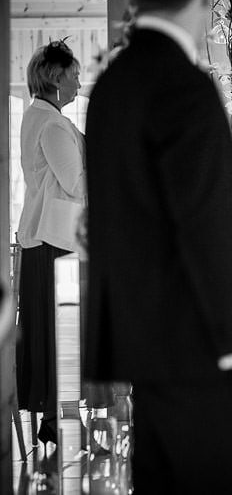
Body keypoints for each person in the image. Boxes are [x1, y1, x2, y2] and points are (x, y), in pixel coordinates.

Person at [83, 0, 232, 492]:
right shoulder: (184, 85)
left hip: (146, 350)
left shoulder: (110, 85)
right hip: (203, 352)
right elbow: (210, 223)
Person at [16, 40, 85, 446]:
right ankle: (55, 418)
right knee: (57, 330)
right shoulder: (54, 125)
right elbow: (75, 183)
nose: (78, 81)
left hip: (44, 237)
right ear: (55, 79)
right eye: (73, 75)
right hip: (55, 239)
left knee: (49, 329)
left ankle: (51, 418)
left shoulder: (38, 116)